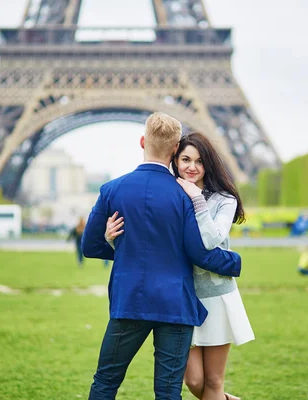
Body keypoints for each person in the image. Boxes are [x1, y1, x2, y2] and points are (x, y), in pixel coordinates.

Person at [81, 112, 241, 400]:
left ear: (143, 141)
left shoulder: (111, 190)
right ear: (176, 149)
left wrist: (114, 243)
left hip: (129, 300)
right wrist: (234, 262)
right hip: (174, 304)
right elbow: (199, 252)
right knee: (168, 392)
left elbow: (90, 247)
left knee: (105, 382)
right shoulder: (186, 196)